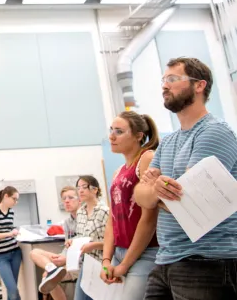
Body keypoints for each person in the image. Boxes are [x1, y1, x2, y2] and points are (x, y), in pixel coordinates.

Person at [134, 57, 237, 300]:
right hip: (167, 260)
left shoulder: (214, 131)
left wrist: (156, 189)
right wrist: (160, 191)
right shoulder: (168, 141)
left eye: (172, 79)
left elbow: (191, 199)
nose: (164, 86)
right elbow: (141, 196)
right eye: (163, 80)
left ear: (199, 85)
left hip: (206, 261)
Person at [99, 111, 160, 300]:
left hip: (145, 252)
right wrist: (106, 260)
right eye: (111, 130)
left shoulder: (147, 158)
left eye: (119, 131)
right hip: (120, 251)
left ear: (138, 136)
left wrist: (125, 265)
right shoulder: (118, 171)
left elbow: (149, 219)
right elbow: (112, 219)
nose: (111, 136)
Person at [30, 186, 80, 298]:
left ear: (79, 200)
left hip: (76, 262)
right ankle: (52, 270)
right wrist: (62, 258)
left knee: (47, 278)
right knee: (34, 252)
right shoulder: (67, 222)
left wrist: (66, 260)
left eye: (71, 197)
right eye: (64, 198)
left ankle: (51, 273)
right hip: (65, 257)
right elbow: (68, 246)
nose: (67, 201)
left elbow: (86, 249)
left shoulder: (84, 220)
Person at [73, 176, 109, 300]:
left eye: (84, 187)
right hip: (86, 264)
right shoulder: (80, 212)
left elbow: (113, 242)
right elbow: (80, 236)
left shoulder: (104, 211)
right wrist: (72, 242)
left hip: (102, 264)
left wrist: (94, 245)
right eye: (78, 188)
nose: (80, 191)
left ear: (95, 190)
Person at [0, 186, 22, 300]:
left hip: (15, 253)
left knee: (13, 290)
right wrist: (9, 233)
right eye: (14, 199)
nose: (15, 202)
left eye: (17, 200)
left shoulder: (11, 212)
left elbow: (9, 228)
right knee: (12, 289)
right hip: (1, 256)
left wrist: (15, 231)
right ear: (5, 196)